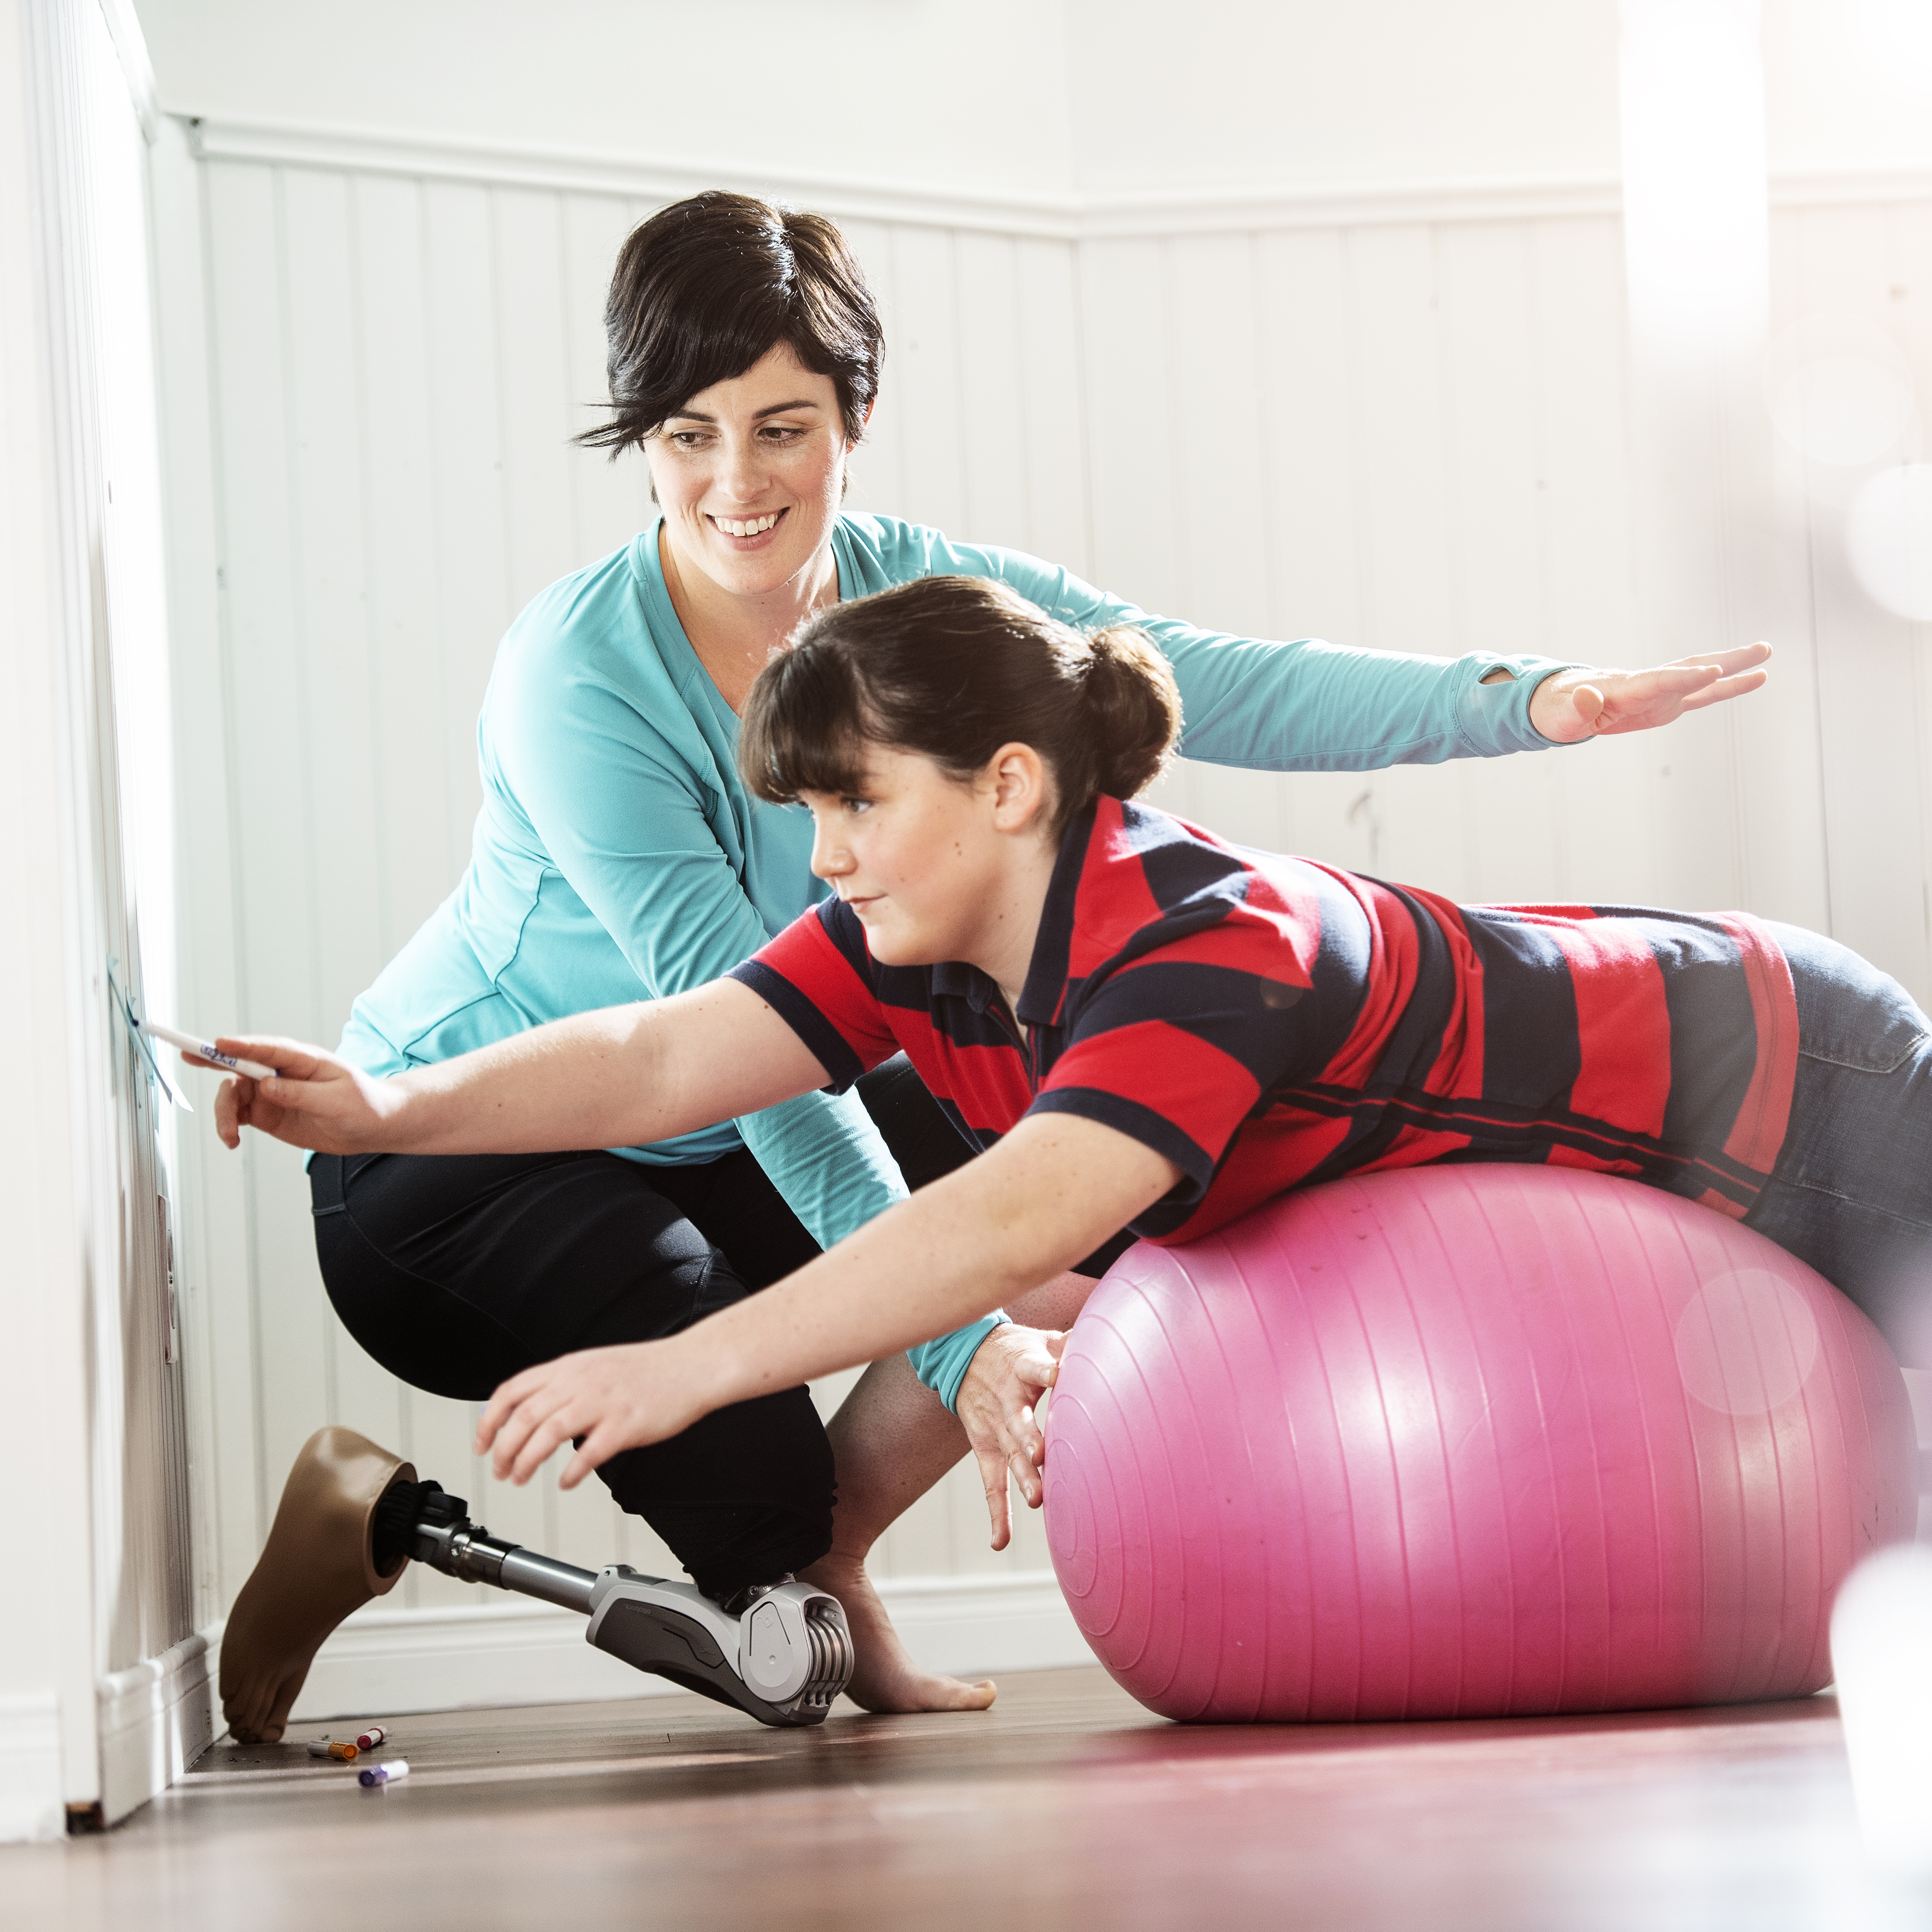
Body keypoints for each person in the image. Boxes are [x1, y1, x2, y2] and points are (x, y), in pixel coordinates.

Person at [304, 188, 1772, 1712]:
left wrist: (1526, 702)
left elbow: (1198, 674)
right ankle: (384, 1523)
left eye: (783, 429)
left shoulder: (912, 603)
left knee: (1097, 1191)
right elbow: (738, 1047)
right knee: (760, 1499)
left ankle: (819, 1573)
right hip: (463, 1160)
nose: (736, 482)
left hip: (713, 1128)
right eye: (688, 435)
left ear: (855, 421)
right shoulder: (578, 675)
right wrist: (966, 1353)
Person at [213, 574, 1929, 1544]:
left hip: (1799, 1090)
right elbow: (667, 1058)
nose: (824, 855)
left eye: (855, 803)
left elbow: (1001, 1229)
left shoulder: (1207, 950)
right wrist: (389, 1105)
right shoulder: (921, 939)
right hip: (1666, 1153)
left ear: (1011, 786)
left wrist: (687, 1368)